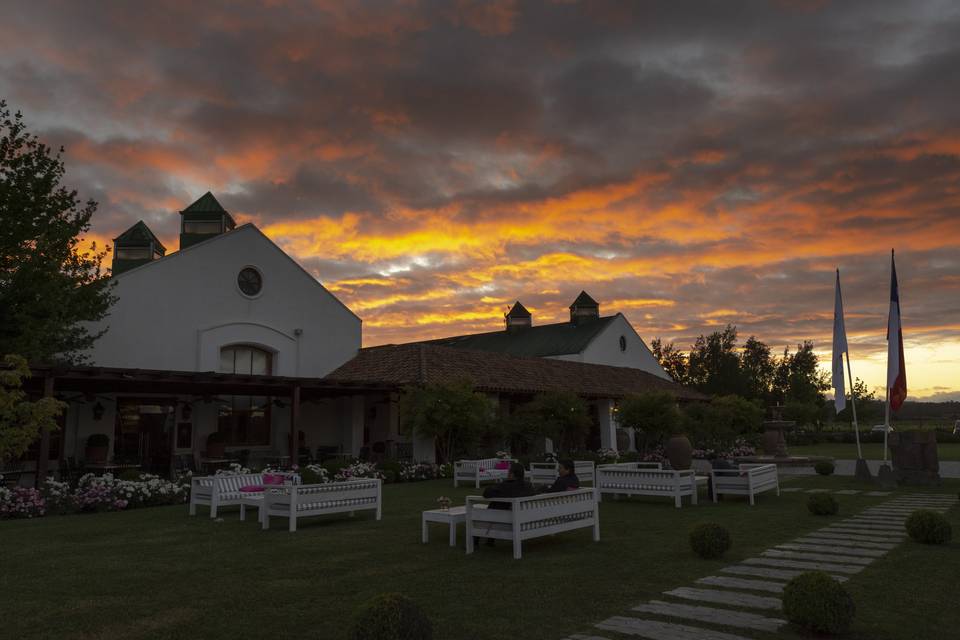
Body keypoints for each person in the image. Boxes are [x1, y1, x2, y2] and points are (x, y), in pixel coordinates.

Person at [475, 463, 535, 547]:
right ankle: (489, 541)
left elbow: (486, 493)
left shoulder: (506, 486)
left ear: (512, 474)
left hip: (508, 520)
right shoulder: (528, 486)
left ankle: (475, 541)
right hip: (524, 518)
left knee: (490, 511)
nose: (507, 473)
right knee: (498, 505)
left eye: (508, 471)